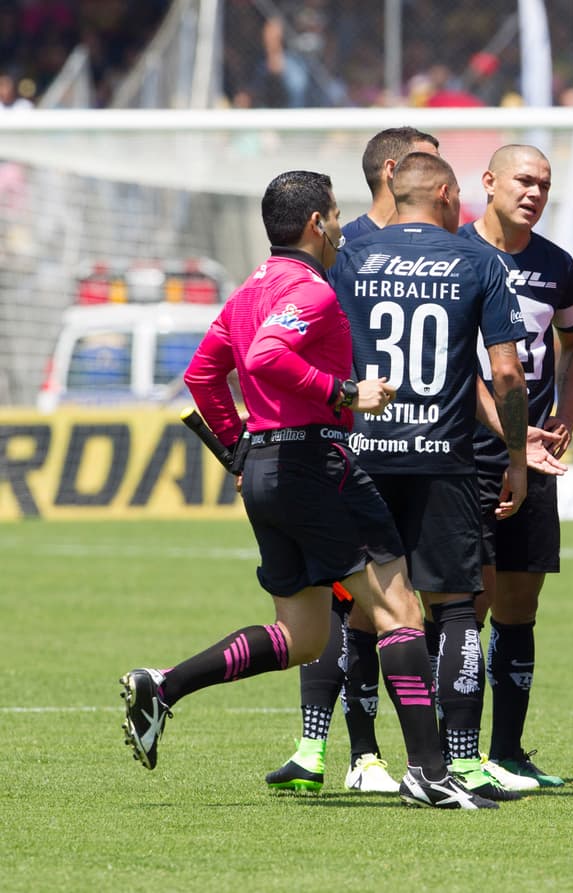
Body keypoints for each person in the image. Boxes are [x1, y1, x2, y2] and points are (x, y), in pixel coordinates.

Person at [120, 170, 497, 809]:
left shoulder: (249, 290)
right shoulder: (311, 290)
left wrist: (239, 448)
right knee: (401, 611)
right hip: (316, 464)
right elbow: (267, 356)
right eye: (337, 214)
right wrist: (346, 393)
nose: (342, 225)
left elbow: (203, 374)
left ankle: (164, 685)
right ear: (317, 223)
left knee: (303, 637)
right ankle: (429, 774)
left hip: (268, 471)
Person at [330, 151, 531, 801]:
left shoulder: (349, 257)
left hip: (364, 456)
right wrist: (518, 457)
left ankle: (376, 756)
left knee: (375, 612)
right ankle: (461, 762)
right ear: (445, 195)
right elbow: (506, 373)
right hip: (444, 460)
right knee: (455, 608)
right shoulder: (478, 261)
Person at [265, 126, 441, 796]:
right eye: (426, 161)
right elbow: (285, 344)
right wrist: (340, 398)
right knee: (352, 607)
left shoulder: (446, 247)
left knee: (422, 605)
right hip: (353, 449)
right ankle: (350, 753)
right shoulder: (340, 249)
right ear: (394, 169)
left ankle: (444, 754)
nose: (440, 175)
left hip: (429, 448)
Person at [458, 145, 573, 790]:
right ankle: (454, 755)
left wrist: (566, 413)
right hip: (464, 454)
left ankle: (506, 754)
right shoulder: (453, 255)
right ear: (488, 182)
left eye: (544, 183)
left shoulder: (556, 266)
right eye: (523, 180)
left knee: (520, 605)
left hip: (534, 455)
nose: (534, 193)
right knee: (466, 606)